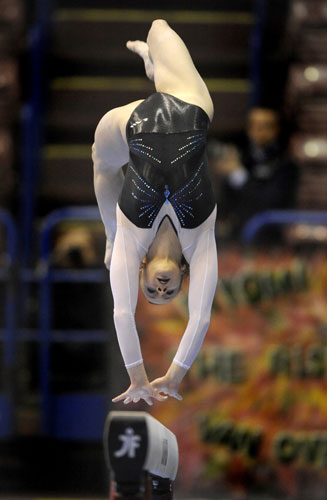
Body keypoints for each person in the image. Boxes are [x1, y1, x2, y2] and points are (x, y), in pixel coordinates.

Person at [92, 19, 218, 406]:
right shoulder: (200, 245)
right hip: (189, 107)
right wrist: (174, 376)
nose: (160, 289)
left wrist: (137, 377)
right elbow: (199, 319)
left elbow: (122, 314)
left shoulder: (133, 244)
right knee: (158, 29)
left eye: (151, 290)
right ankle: (153, 67)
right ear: (183, 275)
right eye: (169, 291)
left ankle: (108, 232)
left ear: (142, 270)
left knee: (101, 159)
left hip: (134, 128)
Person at [211, 107, 299, 242]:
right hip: (237, 236)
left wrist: (239, 175)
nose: (258, 131)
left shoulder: (285, 164)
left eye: (265, 126)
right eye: (253, 125)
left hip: (270, 237)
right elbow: (224, 204)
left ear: (276, 130)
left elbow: (268, 203)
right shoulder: (240, 158)